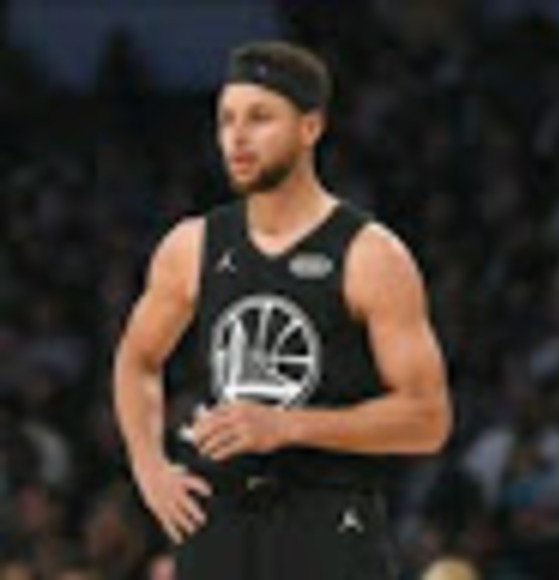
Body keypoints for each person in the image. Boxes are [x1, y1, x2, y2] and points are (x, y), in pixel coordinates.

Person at [113, 40, 452, 580]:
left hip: (329, 520)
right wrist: (149, 468)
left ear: (310, 127)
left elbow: (428, 419)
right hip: (218, 515)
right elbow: (137, 359)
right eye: (226, 120)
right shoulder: (191, 244)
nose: (237, 137)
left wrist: (286, 425)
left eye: (259, 118)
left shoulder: (371, 254)